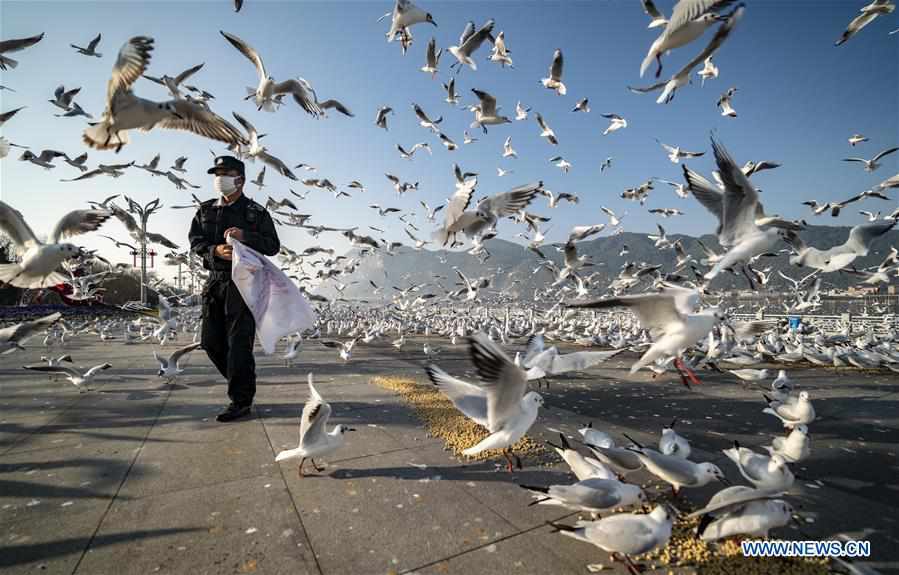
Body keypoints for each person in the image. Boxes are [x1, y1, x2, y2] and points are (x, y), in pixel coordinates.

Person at [189, 155, 280, 422]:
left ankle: (241, 400)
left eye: (225, 173)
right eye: (216, 174)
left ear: (239, 179)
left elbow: (272, 245)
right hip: (215, 281)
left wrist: (245, 236)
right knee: (210, 343)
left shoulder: (256, 212)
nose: (219, 179)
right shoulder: (205, 210)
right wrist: (214, 250)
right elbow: (196, 243)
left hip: (245, 284)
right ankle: (242, 382)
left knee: (239, 345)